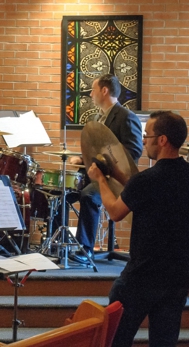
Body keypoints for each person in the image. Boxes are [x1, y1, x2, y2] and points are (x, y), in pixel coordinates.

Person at [87, 110, 189, 346]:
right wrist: (120, 176)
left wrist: (101, 180)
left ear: (162, 140)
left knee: (116, 341)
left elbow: (114, 211)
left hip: (140, 279)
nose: (144, 140)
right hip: (177, 279)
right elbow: (147, 193)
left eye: (148, 135)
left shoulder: (146, 181)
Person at [69, 74, 143, 264]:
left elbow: (134, 150)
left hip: (116, 179)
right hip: (94, 173)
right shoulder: (97, 118)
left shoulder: (126, 117)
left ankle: (86, 251)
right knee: (61, 191)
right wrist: (82, 159)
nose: (91, 94)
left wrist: (107, 162)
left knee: (88, 195)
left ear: (104, 90)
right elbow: (96, 150)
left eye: (93, 90)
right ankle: (58, 245)